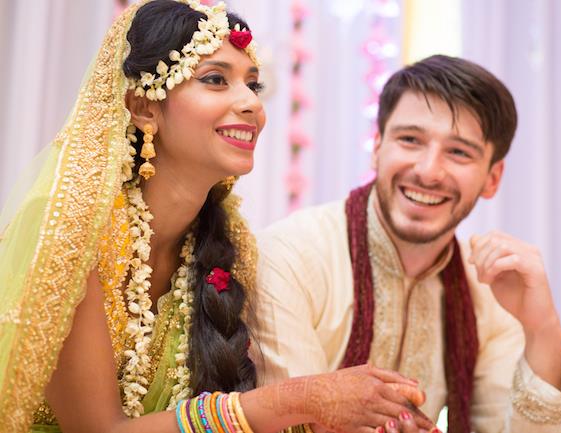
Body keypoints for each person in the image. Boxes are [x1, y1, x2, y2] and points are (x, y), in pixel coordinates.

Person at [0, 2, 433, 433]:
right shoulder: (72, 229)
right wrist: (301, 400)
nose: (250, 104)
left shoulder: (228, 244)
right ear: (143, 107)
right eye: (215, 80)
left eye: (253, 85)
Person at [253, 55, 561, 433]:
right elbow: (287, 422)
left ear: (493, 178)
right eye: (410, 140)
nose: (428, 171)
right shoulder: (290, 257)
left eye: (459, 152)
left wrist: (543, 327)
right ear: (377, 147)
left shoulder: (493, 289)